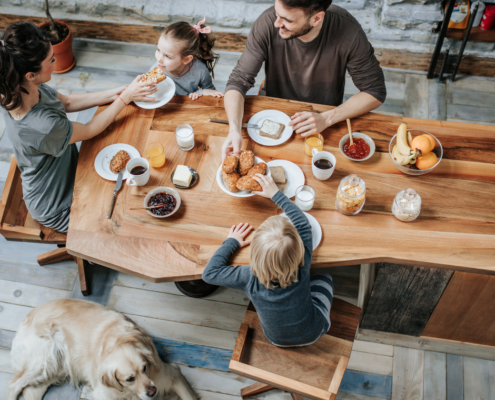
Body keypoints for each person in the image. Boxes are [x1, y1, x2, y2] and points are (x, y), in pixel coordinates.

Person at [0, 22, 157, 233]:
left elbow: (67, 102)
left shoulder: (18, 87)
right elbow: (91, 128)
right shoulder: (43, 126)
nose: (55, 61)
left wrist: (121, 92)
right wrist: (125, 98)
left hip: (68, 171)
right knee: (123, 225)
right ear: (31, 75)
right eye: (50, 60)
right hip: (60, 205)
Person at [222, 0, 387, 160]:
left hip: (324, 119)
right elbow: (237, 82)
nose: (276, 23)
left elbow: (375, 91)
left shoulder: (349, 32)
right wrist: (234, 130)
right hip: (276, 114)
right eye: (277, 13)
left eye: (287, 20)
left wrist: (327, 118)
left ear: (316, 19)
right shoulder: (266, 22)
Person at [202, 174, 334, 347]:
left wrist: (232, 242)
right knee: (325, 277)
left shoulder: (248, 276)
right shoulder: (302, 264)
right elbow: (303, 224)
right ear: (299, 251)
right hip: (314, 331)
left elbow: (209, 274)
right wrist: (276, 194)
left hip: (275, 339)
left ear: (254, 253)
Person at [155, 18, 224, 101]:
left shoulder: (200, 71)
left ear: (187, 59)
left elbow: (212, 93)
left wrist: (199, 93)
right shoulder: (158, 68)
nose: (159, 59)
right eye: (158, 50)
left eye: (167, 56)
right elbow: (147, 89)